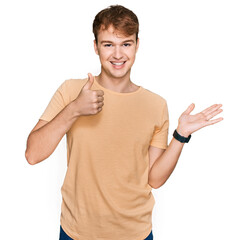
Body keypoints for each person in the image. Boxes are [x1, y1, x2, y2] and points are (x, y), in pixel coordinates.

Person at [25, 5, 223, 240]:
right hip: (77, 232)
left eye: (126, 44)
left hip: (135, 233)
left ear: (137, 45)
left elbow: (155, 179)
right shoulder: (71, 91)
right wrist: (74, 109)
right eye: (108, 44)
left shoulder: (155, 104)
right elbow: (33, 155)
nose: (118, 55)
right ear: (96, 47)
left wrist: (181, 135)